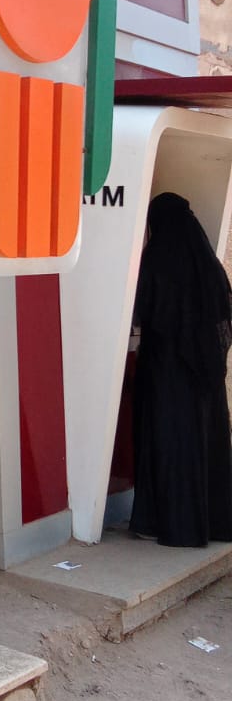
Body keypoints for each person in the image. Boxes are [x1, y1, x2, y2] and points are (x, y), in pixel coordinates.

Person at [130, 192, 232, 546]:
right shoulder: (209, 266)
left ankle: (168, 524)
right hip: (205, 378)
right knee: (205, 448)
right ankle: (213, 524)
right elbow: (223, 319)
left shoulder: (157, 258)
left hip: (166, 375)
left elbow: (142, 311)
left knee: (168, 447)